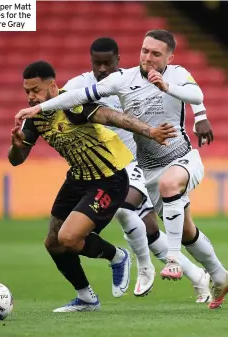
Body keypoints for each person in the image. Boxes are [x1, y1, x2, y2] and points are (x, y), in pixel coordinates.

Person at [15, 31, 228, 310]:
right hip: (144, 165)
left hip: (174, 158)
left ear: (168, 58)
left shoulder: (176, 74)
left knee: (142, 201)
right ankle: (216, 276)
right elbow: (74, 97)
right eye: (145, 51)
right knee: (185, 231)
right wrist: (39, 107)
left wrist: (196, 113)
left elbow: (195, 93)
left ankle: (157, 263)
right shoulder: (119, 81)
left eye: (155, 53)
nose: (148, 57)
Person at [9, 60, 176, 312]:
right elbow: (16, 161)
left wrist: (150, 131)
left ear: (53, 86)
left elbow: (114, 117)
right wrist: (17, 146)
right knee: (53, 243)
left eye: (35, 90)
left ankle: (117, 256)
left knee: (69, 238)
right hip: (78, 178)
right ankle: (86, 298)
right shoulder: (35, 118)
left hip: (108, 179)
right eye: (26, 92)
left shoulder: (72, 104)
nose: (30, 97)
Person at [63, 36, 212, 302]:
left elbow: (186, 85)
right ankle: (198, 276)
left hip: (136, 163)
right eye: (97, 64)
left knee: (124, 207)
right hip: (104, 168)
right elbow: (60, 102)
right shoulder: (81, 85)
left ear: (119, 61)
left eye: (108, 63)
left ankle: (142, 266)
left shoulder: (130, 81)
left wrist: (200, 115)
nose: (102, 69)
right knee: (151, 231)